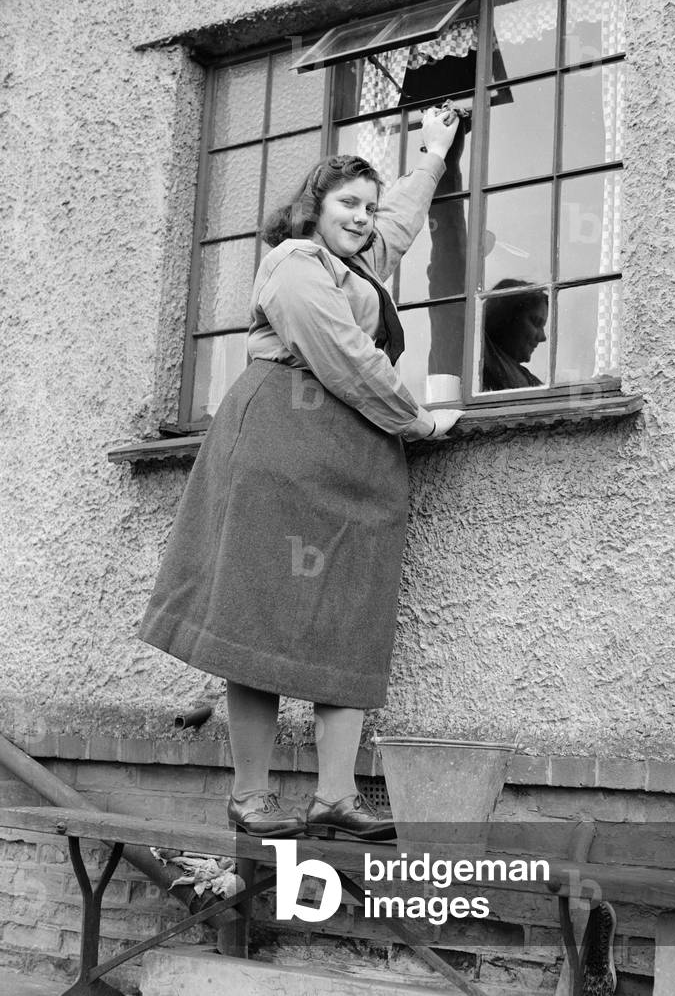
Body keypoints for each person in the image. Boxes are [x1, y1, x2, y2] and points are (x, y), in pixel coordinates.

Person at [138, 108, 464, 840]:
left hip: (352, 457)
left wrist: (436, 156)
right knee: (258, 614)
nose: (363, 217)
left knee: (351, 615)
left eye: (368, 206)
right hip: (283, 444)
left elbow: (401, 226)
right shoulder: (294, 263)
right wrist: (417, 419)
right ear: (313, 207)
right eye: (348, 202)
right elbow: (345, 354)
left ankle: (334, 797)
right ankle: (250, 796)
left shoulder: (357, 262)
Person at [482, 279, 548, 390]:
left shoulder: (529, 380)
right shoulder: (481, 352)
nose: (543, 338)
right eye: (536, 322)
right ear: (506, 318)